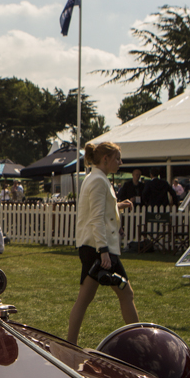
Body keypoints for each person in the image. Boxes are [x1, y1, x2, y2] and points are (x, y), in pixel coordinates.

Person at [67, 141, 139, 345]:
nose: (120, 162)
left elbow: (99, 210)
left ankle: (70, 345)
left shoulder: (95, 177)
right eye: (117, 158)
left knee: (85, 300)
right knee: (126, 294)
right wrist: (104, 251)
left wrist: (118, 207)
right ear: (105, 159)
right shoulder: (99, 180)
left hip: (92, 247)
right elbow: (96, 218)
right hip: (98, 249)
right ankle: (139, 343)